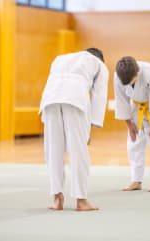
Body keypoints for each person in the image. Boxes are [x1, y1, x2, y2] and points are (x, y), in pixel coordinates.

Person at [40, 48, 109, 211]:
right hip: (75, 99)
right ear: (99, 58)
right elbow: (100, 95)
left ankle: (57, 198)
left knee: (53, 151)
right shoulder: (99, 64)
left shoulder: (60, 58)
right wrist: (92, 126)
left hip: (49, 99)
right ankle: (81, 200)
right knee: (79, 151)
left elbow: (51, 81)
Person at [114, 56, 150, 192]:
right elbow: (121, 101)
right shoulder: (118, 76)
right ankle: (136, 180)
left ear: (137, 72)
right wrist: (129, 125)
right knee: (134, 142)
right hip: (136, 106)